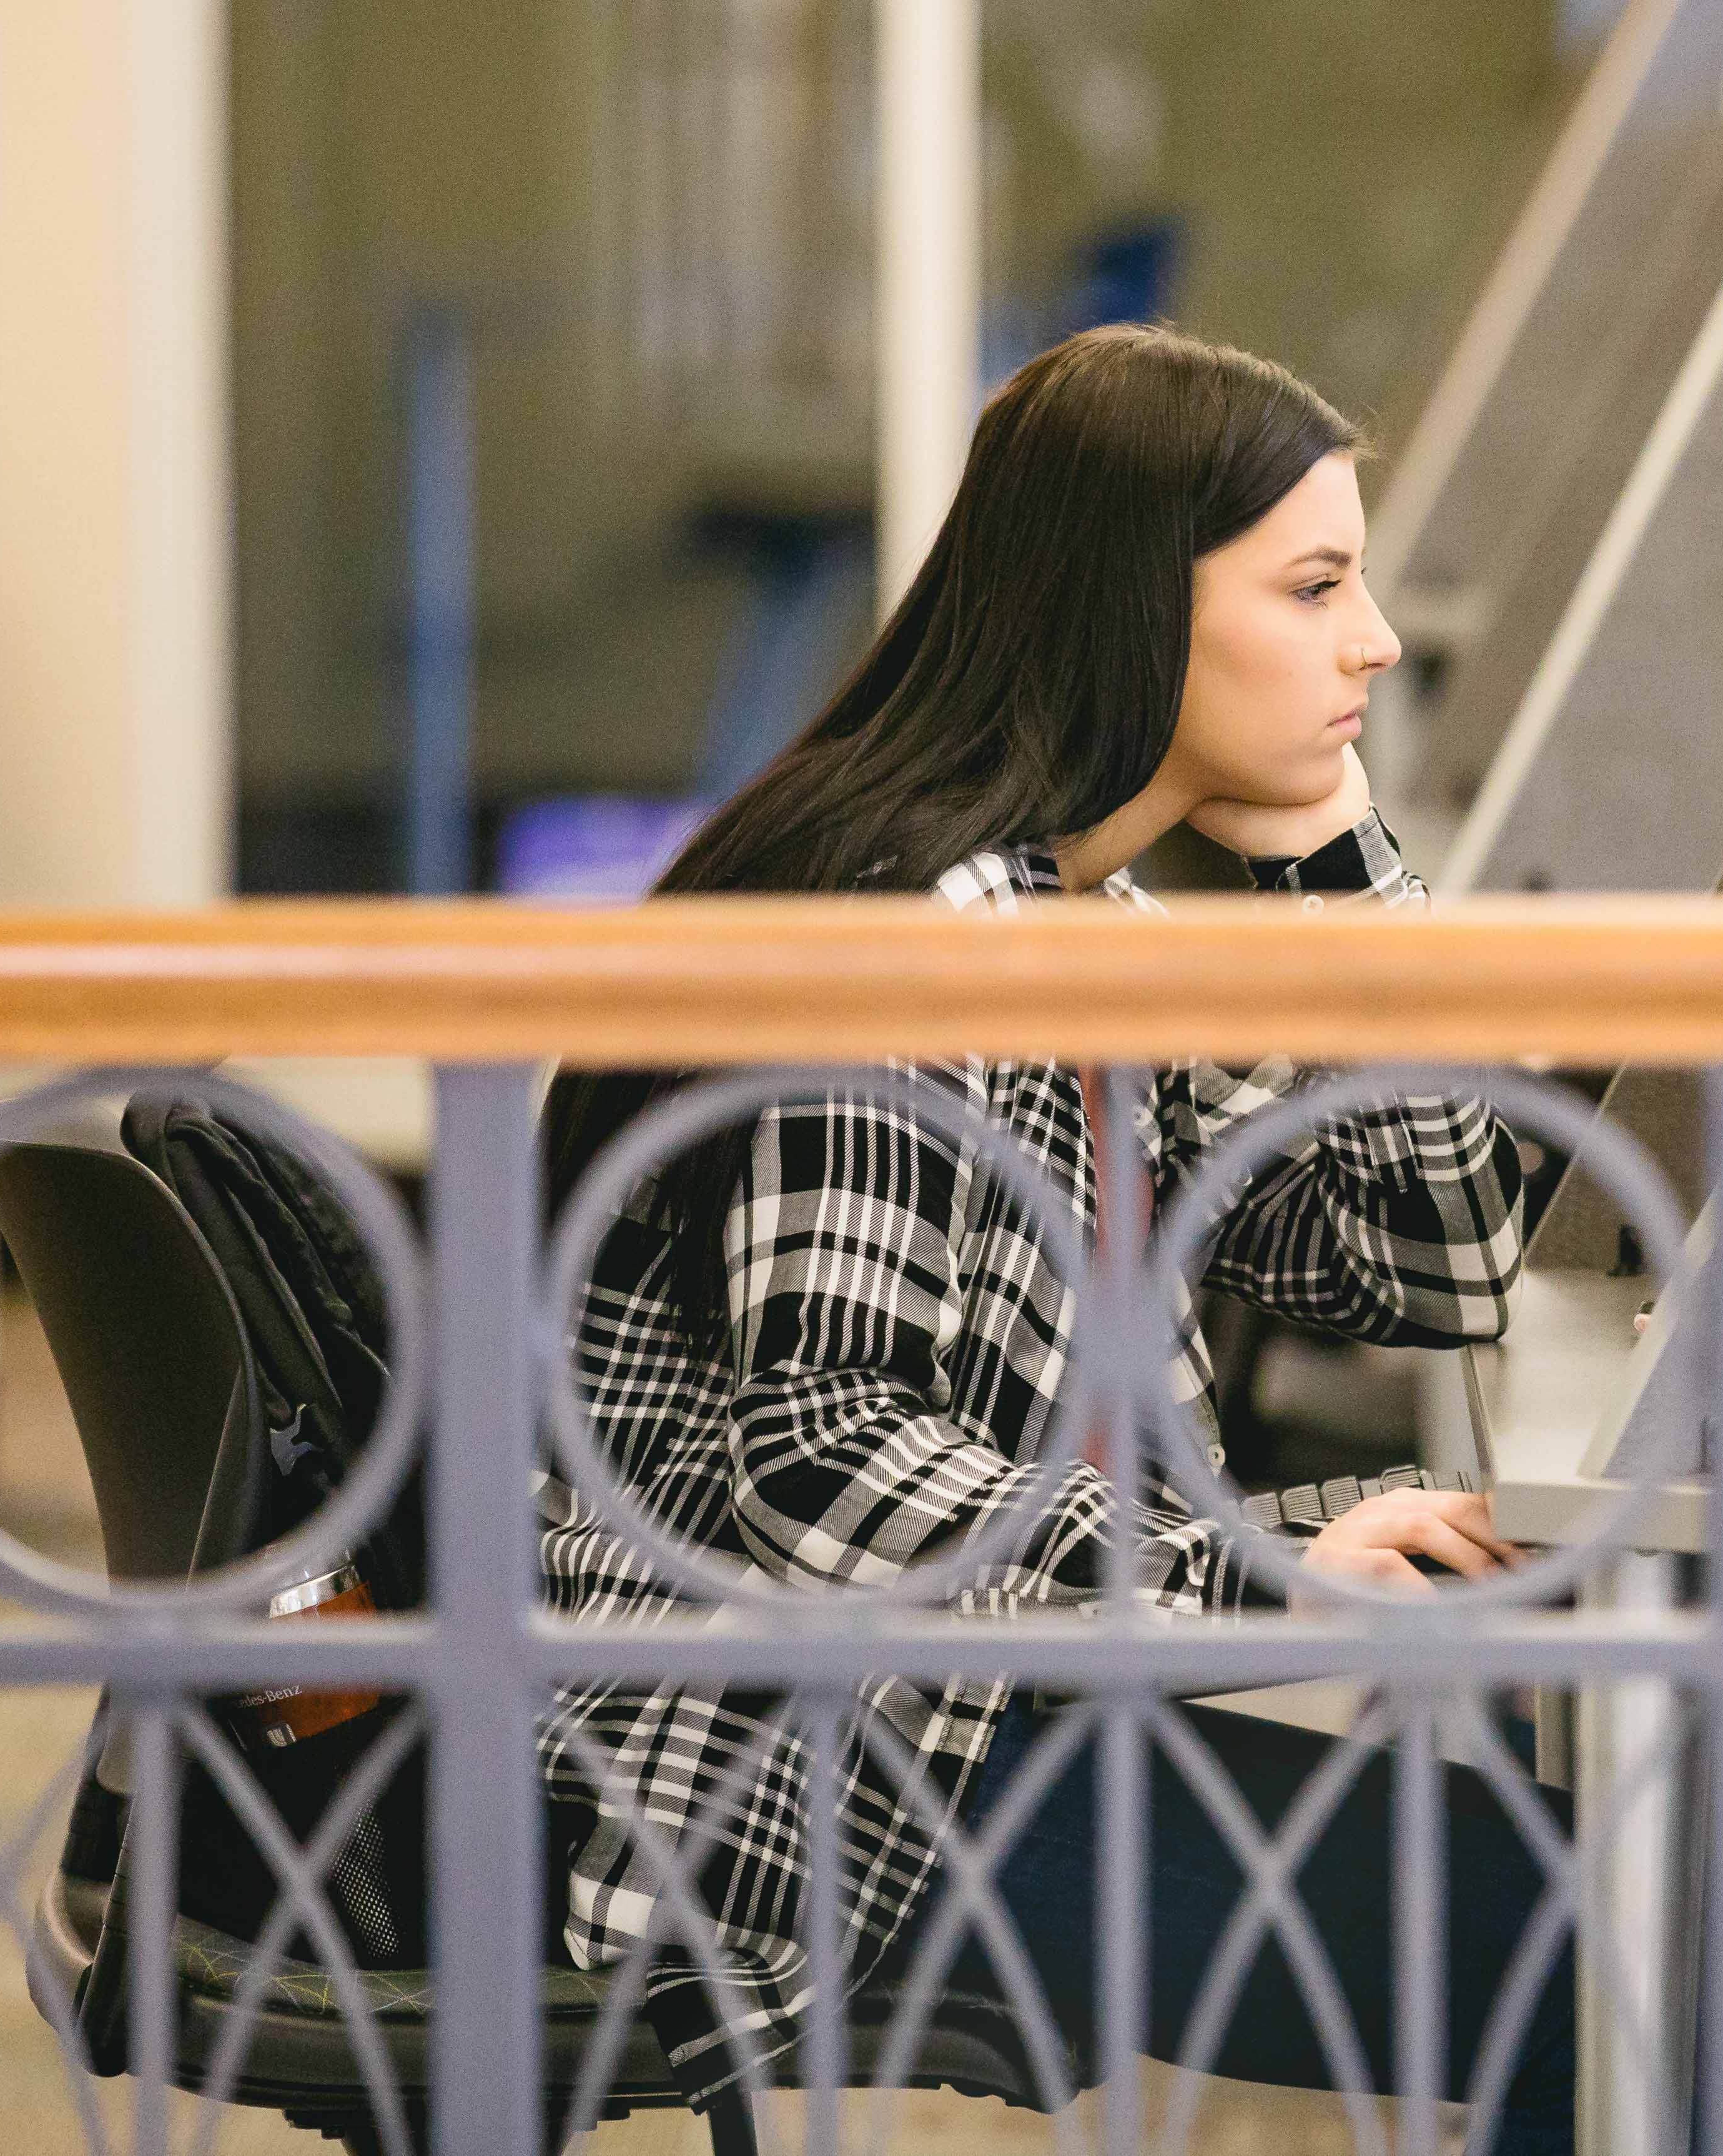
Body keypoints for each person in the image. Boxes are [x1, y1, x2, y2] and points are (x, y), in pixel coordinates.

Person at [533, 324, 1559, 2150]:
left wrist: (1338, 856)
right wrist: (1272, 1568)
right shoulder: (909, 939)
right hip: (808, 1764)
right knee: (1602, 1941)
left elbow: (1437, 1256)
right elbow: (825, 1455)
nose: (1378, 639)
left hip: (944, 1701)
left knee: (1614, 1900)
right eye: (1315, 585)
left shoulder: (1066, 928)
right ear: (1134, 608)